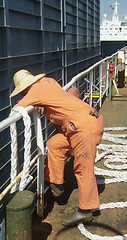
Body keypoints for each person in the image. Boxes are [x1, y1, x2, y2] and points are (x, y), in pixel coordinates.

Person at [10, 69, 104, 226]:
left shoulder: (35, 91)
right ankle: (56, 183)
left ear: (24, 88)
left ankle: (86, 211)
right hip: (81, 125)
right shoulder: (49, 82)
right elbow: (69, 92)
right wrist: (40, 103)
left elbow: (18, 109)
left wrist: (35, 102)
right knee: (55, 144)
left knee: (83, 168)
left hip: (84, 129)